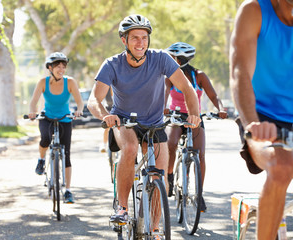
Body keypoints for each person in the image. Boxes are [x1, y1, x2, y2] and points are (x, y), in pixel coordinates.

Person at [87, 14, 201, 224]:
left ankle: (155, 229)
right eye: (135, 38)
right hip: (124, 122)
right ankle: (122, 208)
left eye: (144, 38)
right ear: (124, 40)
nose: (140, 43)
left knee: (159, 177)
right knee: (130, 148)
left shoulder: (161, 59)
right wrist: (106, 116)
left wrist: (194, 113)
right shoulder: (112, 64)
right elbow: (94, 100)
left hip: (154, 123)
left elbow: (187, 88)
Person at [229, 0, 293, 239]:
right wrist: (252, 122)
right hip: (262, 118)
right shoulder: (254, 10)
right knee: (282, 166)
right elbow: (240, 71)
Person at [164, 42, 227, 212]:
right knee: (171, 144)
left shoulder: (199, 76)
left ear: (179, 59)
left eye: (172, 57)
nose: (169, 60)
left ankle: (199, 195)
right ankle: (169, 176)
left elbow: (213, 95)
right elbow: (164, 93)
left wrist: (220, 109)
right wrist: (164, 108)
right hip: (176, 116)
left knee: (200, 155)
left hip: (195, 117)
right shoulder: (169, 76)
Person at [28, 52, 84, 204]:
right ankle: (41, 159)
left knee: (66, 154)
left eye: (63, 66)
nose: (61, 69)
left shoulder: (70, 82)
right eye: (57, 66)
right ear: (50, 68)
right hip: (47, 118)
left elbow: (80, 102)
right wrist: (32, 111)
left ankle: (68, 191)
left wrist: (79, 110)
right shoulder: (42, 82)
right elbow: (33, 102)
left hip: (65, 119)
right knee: (45, 139)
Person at [99, 87, 113, 153]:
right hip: (108, 108)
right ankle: (104, 144)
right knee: (107, 126)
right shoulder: (107, 88)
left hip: (119, 109)